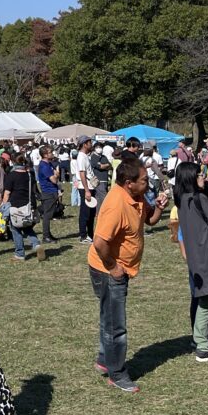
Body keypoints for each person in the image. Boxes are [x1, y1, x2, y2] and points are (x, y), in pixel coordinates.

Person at [88, 156, 169, 394]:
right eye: (144, 180)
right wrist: (113, 267)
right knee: (116, 325)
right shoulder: (116, 204)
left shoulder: (137, 196)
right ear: (128, 182)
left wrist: (160, 207)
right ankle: (117, 373)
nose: (148, 183)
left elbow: (151, 221)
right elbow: (99, 241)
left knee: (109, 317)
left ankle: (105, 360)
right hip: (106, 269)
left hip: (118, 268)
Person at [173, 162, 208, 362]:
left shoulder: (182, 201)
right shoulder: (200, 198)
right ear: (191, 177)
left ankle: (201, 345)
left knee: (205, 301)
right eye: (199, 174)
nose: (203, 177)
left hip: (196, 259)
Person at [1, 153, 44, 261]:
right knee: (27, 227)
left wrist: (3, 205)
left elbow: (7, 193)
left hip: (15, 205)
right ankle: (36, 244)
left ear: (14, 162)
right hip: (28, 205)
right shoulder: (29, 175)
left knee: (15, 229)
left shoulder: (12, 175)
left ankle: (20, 253)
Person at [36, 146, 61, 243]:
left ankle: (48, 235)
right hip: (48, 192)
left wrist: (56, 174)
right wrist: (56, 175)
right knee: (47, 215)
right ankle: (46, 236)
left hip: (52, 192)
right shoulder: (44, 166)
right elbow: (54, 179)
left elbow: (56, 175)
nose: (52, 153)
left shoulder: (49, 164)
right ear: (45, 155)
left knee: (49, 214)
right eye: (50, 152)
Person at [75, 136, 97, 243]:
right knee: (85, 213)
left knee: (91, 212)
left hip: (90, 187)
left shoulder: (85, 156)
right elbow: (82, 173)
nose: (91, 145)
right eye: (90, 143)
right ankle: (83, 236)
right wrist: (87, 190)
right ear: (85, 144)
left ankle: (90, 234)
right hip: (85, 188)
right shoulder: (81, 157)